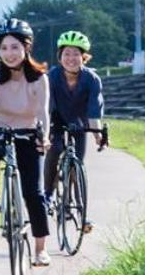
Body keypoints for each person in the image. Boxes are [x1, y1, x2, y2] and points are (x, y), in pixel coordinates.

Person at [0, 17, 52, 266]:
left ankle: (40, 249)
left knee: (34, 194)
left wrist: (45, 137)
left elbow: (43, 113)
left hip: (28, 132)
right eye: (4, 48)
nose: (9, 53)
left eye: (15, 47)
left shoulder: (38, 78)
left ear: (26, 47)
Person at [44, 29, 107, 233]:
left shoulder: (92, 79)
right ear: (60, 56)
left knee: (77, 166)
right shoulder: (51, 77)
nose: (71, 58)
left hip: (79, 123)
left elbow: (94, 110)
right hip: (55, 121)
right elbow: (45, 107)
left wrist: (97, 134)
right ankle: (48, 195)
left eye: (76, 54)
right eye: (67, 54)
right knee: (54, 150)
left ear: (83, 57)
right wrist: (45, 132)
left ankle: (82, 213)